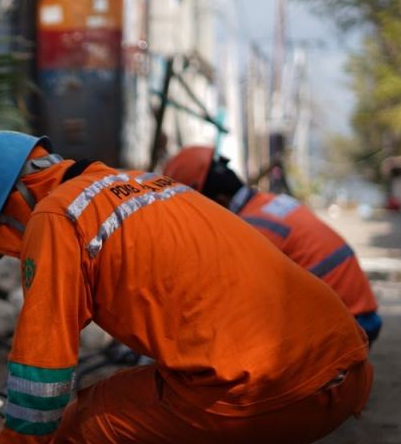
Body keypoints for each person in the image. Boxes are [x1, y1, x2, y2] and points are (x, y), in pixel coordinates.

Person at [0, 131, 373, 444]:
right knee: (157, 387)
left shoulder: (55, 216)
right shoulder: (149, 183)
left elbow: (43, 365)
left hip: (268, 393)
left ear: (10, 208)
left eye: (5, 245)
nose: (17, 253)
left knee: (74, 437)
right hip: (343, 372)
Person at [162, 146, 382, 345]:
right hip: (362, 313)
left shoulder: (250, 229)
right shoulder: (270, 202)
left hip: (350, 327)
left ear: (219, 202)